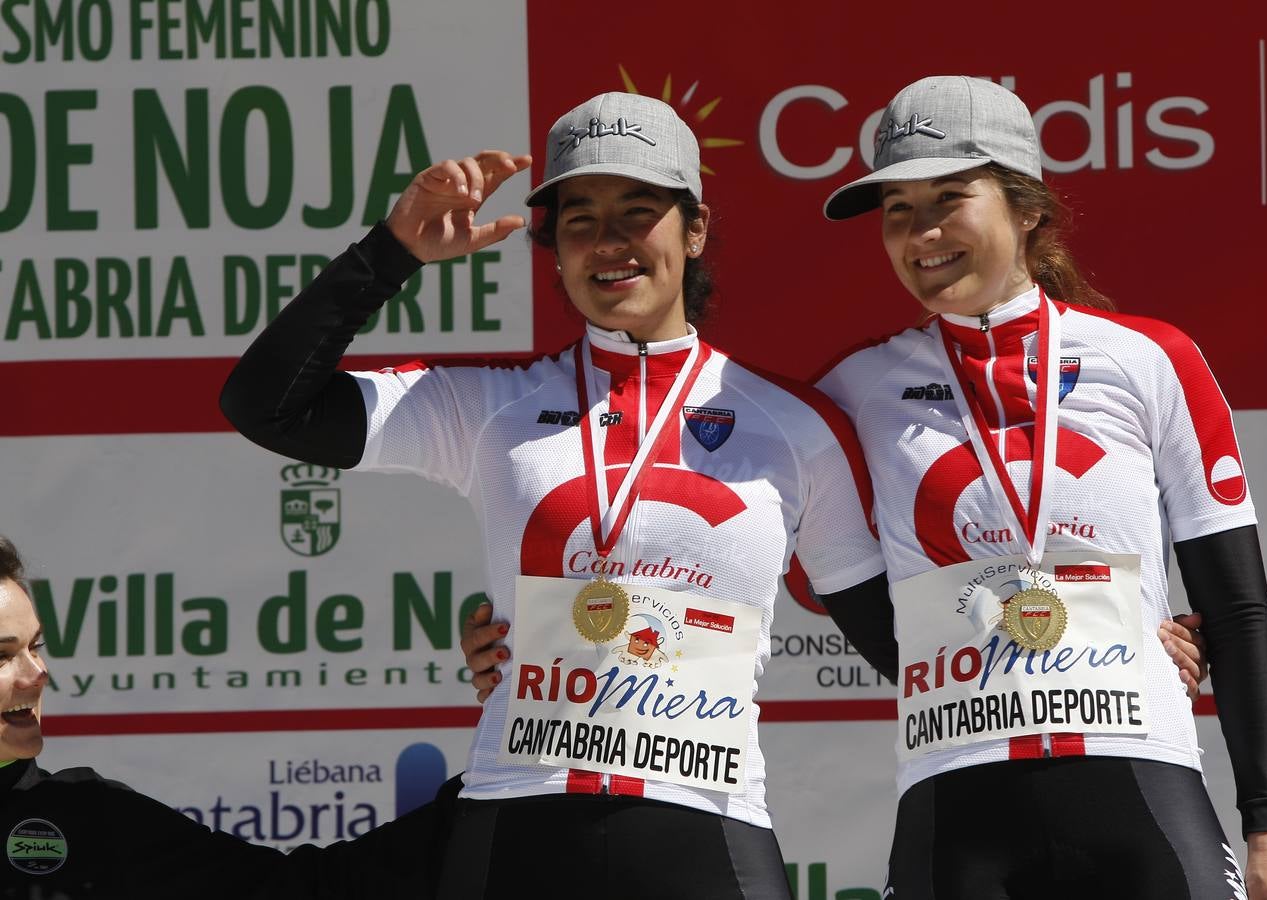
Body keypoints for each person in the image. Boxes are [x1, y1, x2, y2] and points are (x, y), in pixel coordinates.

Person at [219, 92, 892, 899]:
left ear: (696, 228)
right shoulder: (488, 408)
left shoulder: (796, 427)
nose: (607, 243)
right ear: (553, 244)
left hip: (705, 830)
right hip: (516, 823)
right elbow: (267, 405)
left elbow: (901, 646)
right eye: (579, 220)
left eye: (637, 213)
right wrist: (391, 252)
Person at [811, 75, 1267, 899]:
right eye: (896, 209)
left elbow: (1240, 610)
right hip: (956, 799)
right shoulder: (851, 394)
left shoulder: (1147, 360)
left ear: (1028, 209)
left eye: (949, 198)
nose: (920, 232)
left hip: (1141, 784)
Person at [0, 534, 466, 900]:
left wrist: (492, 782)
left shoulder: (90, 816)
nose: (38, 675)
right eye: (3, 657)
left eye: (36, 647)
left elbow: (302, 889)